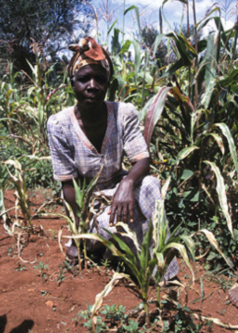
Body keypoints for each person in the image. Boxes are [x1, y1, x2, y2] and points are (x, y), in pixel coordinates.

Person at [47, 37, 178, 280]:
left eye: (100, 79)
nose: (92, 85)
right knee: (132, 218)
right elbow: (68, 186)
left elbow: (142, 160)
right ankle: (102, 246)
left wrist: (127, 184)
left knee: (150, 185)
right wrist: (79, 236)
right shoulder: (59, 124)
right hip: (91, 210)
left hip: (120, 193)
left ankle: (164, 275)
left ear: (108, 84)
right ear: (72, 83)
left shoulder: (123, 113)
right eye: (84, 79)